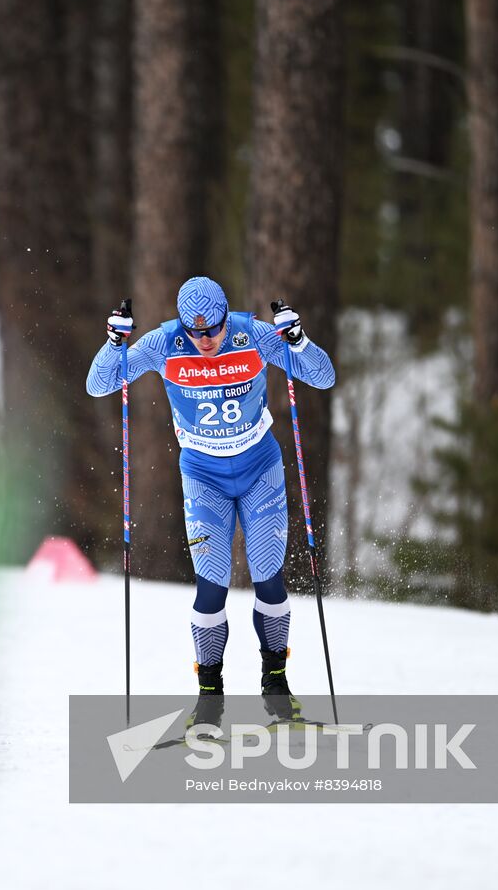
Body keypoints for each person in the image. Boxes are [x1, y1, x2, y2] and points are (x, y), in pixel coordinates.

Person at [85, 276, 336, 727]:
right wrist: (113, 344)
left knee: (267, 576)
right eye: (195, 332)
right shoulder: (164, 343)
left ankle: (276, 687)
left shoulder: (253, 335)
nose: (204, 341)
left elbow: (322, 376)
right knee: (211, 584)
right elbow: (99, 384)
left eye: (213, 330)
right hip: (203, 476)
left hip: (260, 469)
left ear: (225, 318)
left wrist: (298, 342)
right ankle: (209, 702)